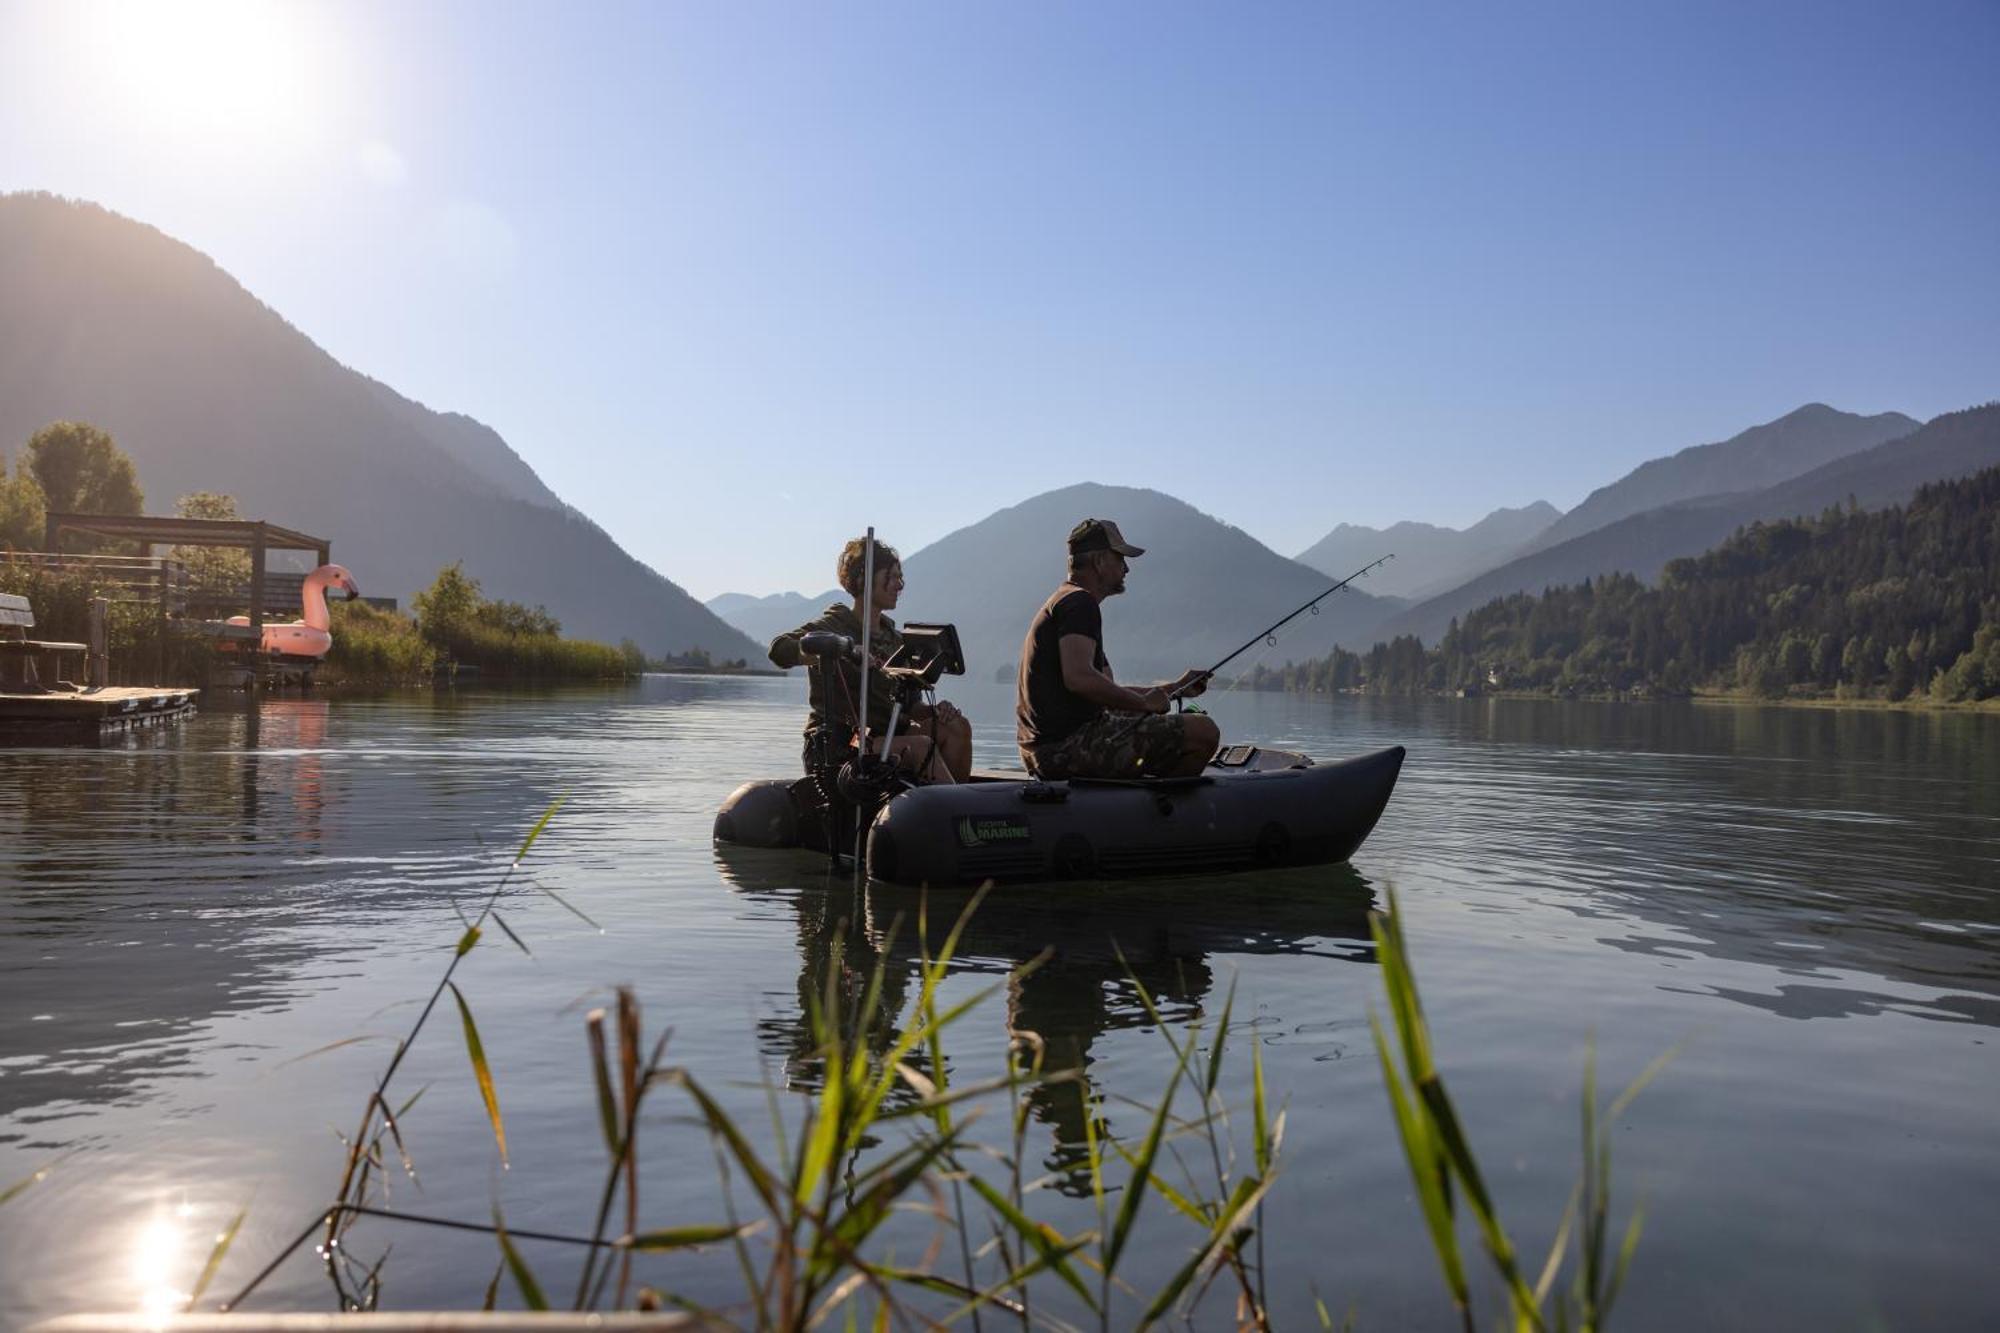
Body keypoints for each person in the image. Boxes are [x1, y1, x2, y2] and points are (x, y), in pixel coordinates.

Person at [1016, 518, 1220, 779]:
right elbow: (1078, 679)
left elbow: (1106, 691)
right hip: (1064, 750)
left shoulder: (1067, 601)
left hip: (1047, 750)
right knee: (1203, 733)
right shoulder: (1079, 604)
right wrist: (1144, 703)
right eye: (1120, 559)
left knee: (1187, 727)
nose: (1126, 569)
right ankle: (1160, 812)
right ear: (1100, 562)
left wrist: (1175, 688)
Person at [768, 536, 972, 784]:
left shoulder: (896, 639)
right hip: (843, 744)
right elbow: (778, 650)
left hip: (887, 738)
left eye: (901, 577)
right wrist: (841, 649)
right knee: (920, 746)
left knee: (957, 728)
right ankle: (949, 815)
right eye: (892, 576)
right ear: (864, 579)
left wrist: (937, 711)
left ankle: (955, 811)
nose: (900, 585)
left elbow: (909, 707)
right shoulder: (835, 624)